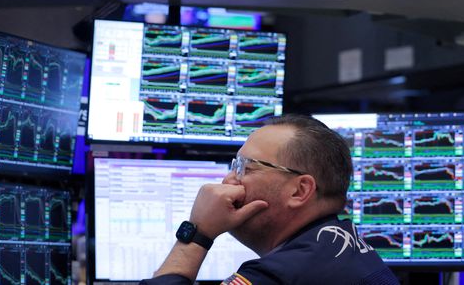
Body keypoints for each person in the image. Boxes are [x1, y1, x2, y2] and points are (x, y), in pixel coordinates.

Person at [142, 114, 399, 285]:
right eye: (234, 166)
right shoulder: (350, 248)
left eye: (247, 168)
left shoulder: (278, 275)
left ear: (300, 191)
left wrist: (197, 235)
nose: (228, 181)